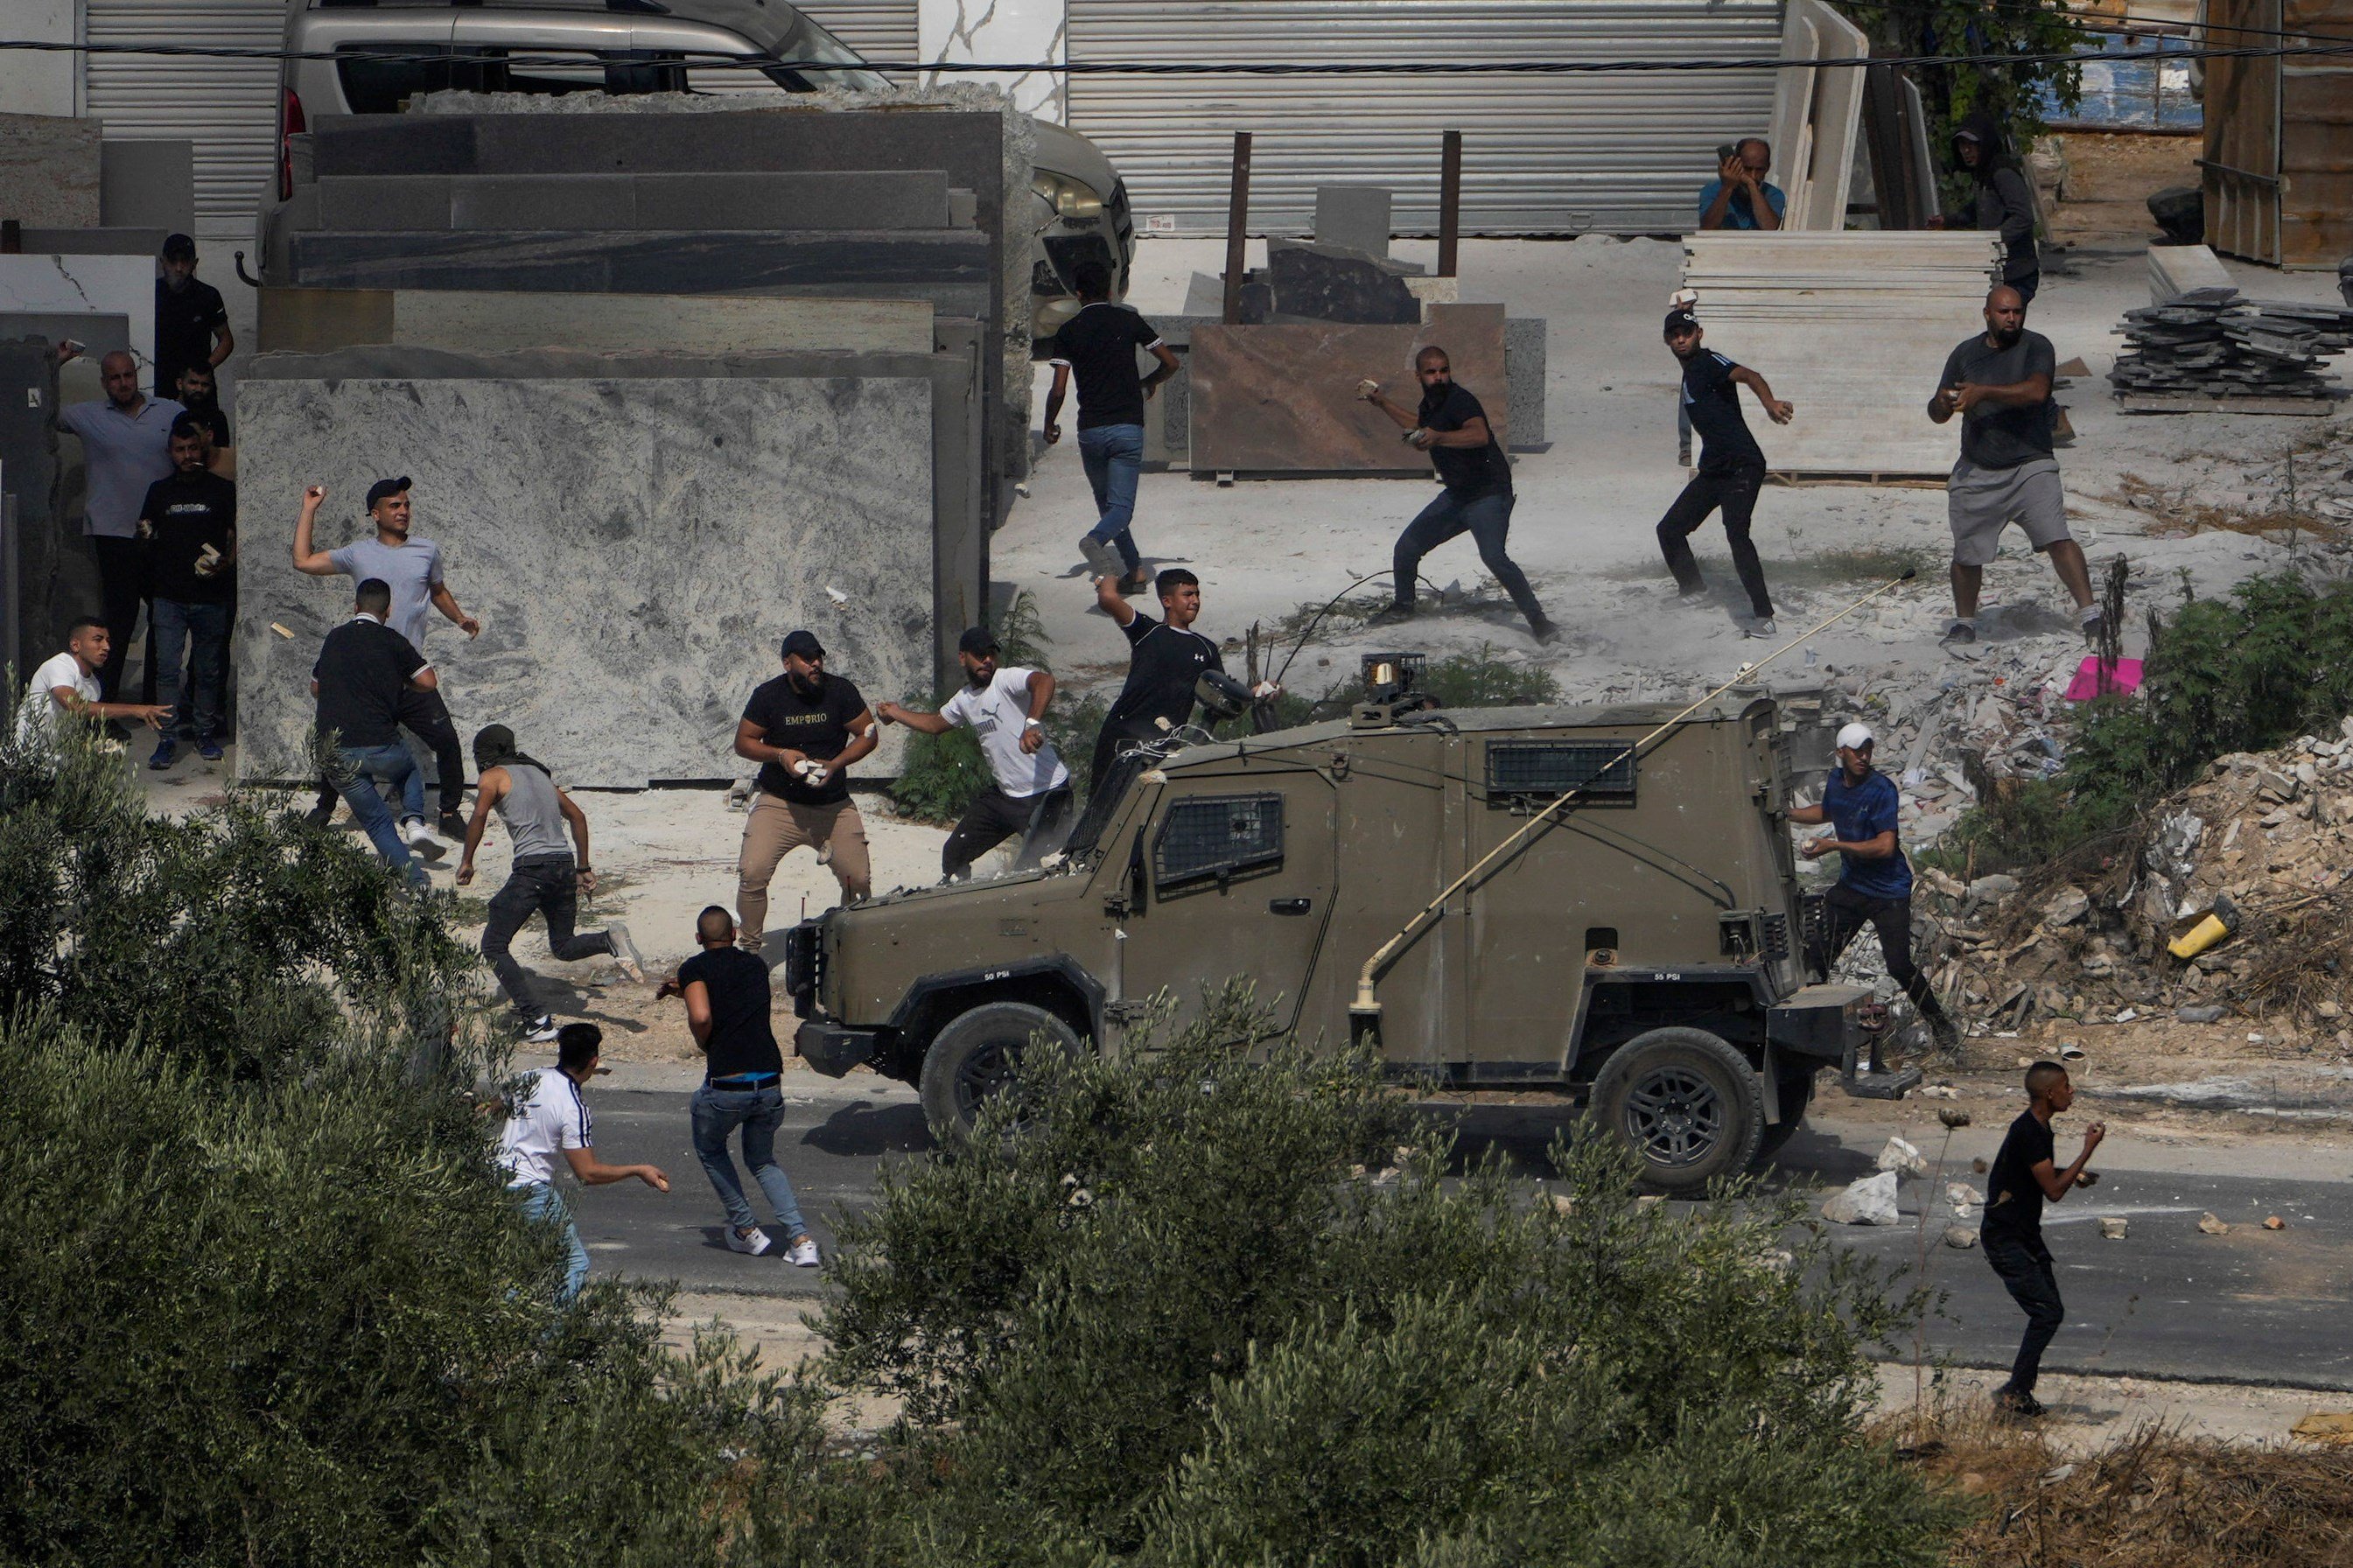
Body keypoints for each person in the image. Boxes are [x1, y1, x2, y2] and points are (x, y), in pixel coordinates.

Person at [292, 479, 478, 841]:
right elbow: (302, 561)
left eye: (406, 504)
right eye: (394, 506)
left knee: (446, 739)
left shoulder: (427, 550)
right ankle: (325, 806)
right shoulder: (358, 553)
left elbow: (437, 591)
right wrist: (310, 509)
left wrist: (459, 618)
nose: (403, 511)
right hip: (367, 679)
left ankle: (449, 811)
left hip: (409, 675)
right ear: (375, 514)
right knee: (337, 739)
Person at [1928, 286, 2098, 648]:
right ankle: (1964, 623)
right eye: (2004, 313)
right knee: (1967, 552)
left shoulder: (2037, 346)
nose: (2012, 319)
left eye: (2017, 312)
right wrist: (1943, 402)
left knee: (2057, 537)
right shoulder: (1965, 353)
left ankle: (2091, 615)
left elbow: (2036, 392)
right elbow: (1938, 413)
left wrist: (1984, 392)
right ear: (1987, 313)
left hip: (2030, 464)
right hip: (1978, 466)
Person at [456, 724, 645, 1044]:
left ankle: (537, 1020)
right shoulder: (540, 775)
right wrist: (583, 866)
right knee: (563, 946)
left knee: (493, 945)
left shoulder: (492, 777)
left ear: (484, 753)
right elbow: (578, 816)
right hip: (562, 864)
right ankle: (607, 940)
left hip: (533, 869)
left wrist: (467, 861)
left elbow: (478, 817)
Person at [1355, 346, 1558, 644]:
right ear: (1419, 376)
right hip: (1457, 496)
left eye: (1444, 370)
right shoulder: (1431, 404)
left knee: (1494, 557)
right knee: (1407, 547)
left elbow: (1479, 435)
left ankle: (1539, 621)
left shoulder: (1461, 401)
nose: (1439, 377)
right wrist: (1383, 403)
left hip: (1489, 494)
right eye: (1431, 372)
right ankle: (1403, 606)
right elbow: (1418, 425)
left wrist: (1439, 437)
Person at [656, 906, 821, 1265]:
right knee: (762, 1160)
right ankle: (801, 1239)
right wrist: (683, 989)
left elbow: (703, 1014)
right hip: (769, 1082)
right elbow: (730, 992)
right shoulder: (755, 966)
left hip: (727, 1087)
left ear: (699, 939)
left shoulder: (695, 967)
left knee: (710, 1148)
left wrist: (703, 1041)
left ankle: (746, 1230)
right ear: (733, 933)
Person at [1788, 723, 1958, 1049]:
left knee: (1899, 966)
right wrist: (1788, 814)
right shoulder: (1837, 781)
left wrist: (1833, 846)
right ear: (1841, 753)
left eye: (1868, 750)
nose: (1864, 757)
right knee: (1818, 958)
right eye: (1857, 751)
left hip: (1887, 892)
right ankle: (1809, 1037)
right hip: (1852, 887)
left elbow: (1884, 847)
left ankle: (1942, 1027)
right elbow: (1827, 811)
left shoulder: (1882, 789)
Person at [877, 626, 1075, 881]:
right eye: (980, 655)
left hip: (1048, 794)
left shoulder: (1005, 679)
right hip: (1007, 798)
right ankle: (960, 898)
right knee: (954, 854)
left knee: (1037, 872)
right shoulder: (964, 699)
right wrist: (895, 712)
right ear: (963, 658)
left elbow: (1044, 681)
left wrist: (1032, 724)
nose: (987, 661)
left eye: (991, 654)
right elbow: (936, 723)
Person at [496, 1022, 669, 1304]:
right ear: (593, 1060)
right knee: (573, 1264)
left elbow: (493, 1107)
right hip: (529, 1190)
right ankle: (552, 1339)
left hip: (495, 1180)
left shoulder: (529, 1077)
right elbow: (587, 1173)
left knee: (516, 1266)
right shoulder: (573, 1106)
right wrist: (638, 1170)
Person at [53, 345, 184, 700]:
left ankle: (157, 700)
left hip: (162, 534)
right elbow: (41, 411)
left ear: (136, 375)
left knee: (165, 619)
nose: (123, 383)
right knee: (119, 623)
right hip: (114, 535)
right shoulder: (88, 415)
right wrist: (56, 363)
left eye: (128, 375)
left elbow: (198, 446)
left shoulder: (170, 411)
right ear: (104, 382)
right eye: (115, 377)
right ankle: (106, 705)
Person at [733, 629, 877, 951]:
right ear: (787, 663)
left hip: (832, 805)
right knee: (752, 873)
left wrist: (836, 764)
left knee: (860, 881)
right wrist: (780, 755)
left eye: (819, 657)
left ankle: (849, 945)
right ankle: (750, 949)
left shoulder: (840, 691)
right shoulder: (768, 696)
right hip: (779, 803)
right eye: (807, 659)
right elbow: (742, 743)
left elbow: (868, 734)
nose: (816, 664)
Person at [1042, 260, 1180, 592]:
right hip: (1127, 429)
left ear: (1077, 295)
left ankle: (1135, 572)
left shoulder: (1068, 331)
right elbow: (1171, 362)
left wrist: (1049, 423)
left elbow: (1059, 388)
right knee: (1120, 509)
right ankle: (1094, 541)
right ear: (1110, 291)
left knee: (1109, 505)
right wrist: (1148, 384)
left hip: (1090, 430)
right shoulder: (1128, 320)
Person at [1656, 308, 1792, 638]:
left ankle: (1764, 616)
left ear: (1698, 334)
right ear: (1667, 341)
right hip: (1715, 469)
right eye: (1674, 335)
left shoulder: (1708, 362)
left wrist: (1770, 404)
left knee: (1737, 534)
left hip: (1743, 465)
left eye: (1686, 333)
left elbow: (1749, 375)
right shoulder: (1689, 374)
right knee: (1670, 529)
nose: (1681, 339)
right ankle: (1694, 590)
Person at [1980, 1060, 2104, 1417]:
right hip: (2006, 1238)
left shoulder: (2037, 1129)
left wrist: (2071, 1173)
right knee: (2046, 1312)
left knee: (2049, 1312)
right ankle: (2015, 1393)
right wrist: (2087, 1149)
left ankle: (2018, 1392)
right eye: (2066, 1087)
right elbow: (2052, 1191)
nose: (2072, 1092)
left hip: (2023, 1236)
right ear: (2049, 1093)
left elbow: (2036, 1176)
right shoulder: (2031, 1132)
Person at [311, 578, 443, 886]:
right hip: (381, 747)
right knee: (410, 770)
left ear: (355, 607)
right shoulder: (393, 641)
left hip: (336, 754)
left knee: (377, 821)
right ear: (388, 610)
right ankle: (413, 822)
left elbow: (315, 688)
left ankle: (416, 883)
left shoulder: (334, 638)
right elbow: (428, 682)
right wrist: (400, 680)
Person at [1089, 568, 1266, 791]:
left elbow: (1226, 696)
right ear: (1167, 601)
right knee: (1104, 805)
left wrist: (1259, 692)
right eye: (1188, 595)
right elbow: (1107, 597)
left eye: (1197, 595)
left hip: (1166, 745)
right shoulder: (1147, 630)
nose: (1195, 601)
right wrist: (1110, 572)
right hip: (1123, 737)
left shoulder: (1206, 648)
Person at [136, 416, 236, 767]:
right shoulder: (159, 491)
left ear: (203, 449)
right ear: (170, 452)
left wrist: (225, 562)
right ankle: (167, 739)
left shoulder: (222, 490)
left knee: (208, 670)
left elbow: (235, 537)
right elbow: (145, 534)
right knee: (166, 669)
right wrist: (145, 534)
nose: (187, 455)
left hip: (211, 595)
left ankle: (204, 733)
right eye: (180, 449)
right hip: (169, 596)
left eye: (193, 448)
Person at [15, 618, 171, 752]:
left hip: (57, 763)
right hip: (26, 760)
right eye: (98, 640)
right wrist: (135, 710)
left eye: (108, 641)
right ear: (75, 645)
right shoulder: (59, 665)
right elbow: (76, 707)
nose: (106, 647)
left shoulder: (94, 686)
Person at [1951, 116, 2040, 305]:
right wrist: (1949, 220)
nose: (1966, 151)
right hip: (2000, 269)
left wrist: (1992, 241)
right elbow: (1978, 208)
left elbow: (2023, 216)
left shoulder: (2002, 173)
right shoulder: (1983, 173)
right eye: (1962, 145)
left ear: (1985, 144)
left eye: (1972, 144)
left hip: (2017, 272)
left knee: (2006, 329)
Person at [154, 233, 233, 397]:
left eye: (185, 261)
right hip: (157, 381)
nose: (179, 268)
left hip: (199, 389)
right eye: (173, 261)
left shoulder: (208, 296)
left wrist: (204, 370)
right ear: (163, 262)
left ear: (195, 264)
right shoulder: (150, 293)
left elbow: (226, 340)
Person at [1697, 137, 1786, 232]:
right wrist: (1727, 188)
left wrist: (1751, 184)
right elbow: (1707, 228)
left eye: (1759, 170)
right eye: (1747, 169)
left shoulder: (1774, 195)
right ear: (1736, 164)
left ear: (1767, 168)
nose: (1753, 176)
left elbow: (1769, 227)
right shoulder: (1712, 190)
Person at [172, 362, 235, 479]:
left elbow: (220, 454)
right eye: (193, 383)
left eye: (205, 384)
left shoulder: (217, 418)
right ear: (180, 384)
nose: (199, 389)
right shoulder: (165, 412)